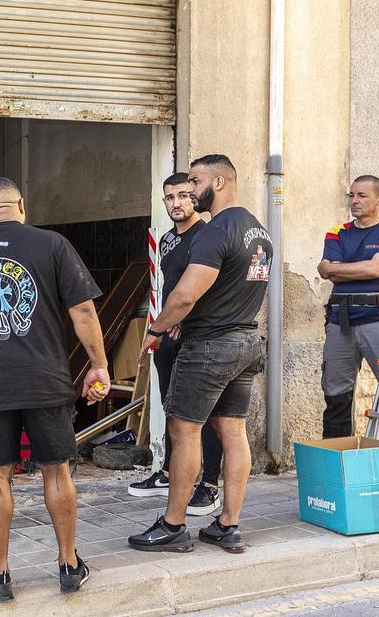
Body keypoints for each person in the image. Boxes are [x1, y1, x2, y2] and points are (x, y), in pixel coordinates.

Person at [0, 178, 109, 600]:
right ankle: (68, 564)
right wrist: (98, 364)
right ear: (22, 207)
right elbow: (83, 309)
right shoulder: (52, 245)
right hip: (46, 380)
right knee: (56, 470)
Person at [129, 154, 272, 555]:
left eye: (194, 181)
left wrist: (154, 331)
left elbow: (187, 294)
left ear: (220, 182)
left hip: (210, 345)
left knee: (184, 430)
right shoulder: (260, 232)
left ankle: (174, 525)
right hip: (246, 340)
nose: (190, 190)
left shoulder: (215, 231)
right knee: (233, 432)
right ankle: (228, 524)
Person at [128, 172, 225, 516]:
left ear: (195, 197)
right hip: (167, 336)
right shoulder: (167, 240)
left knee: (207, 415)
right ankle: (170, 473)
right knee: (173, 410)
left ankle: (210, 484)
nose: (176, 203)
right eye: (170, 198)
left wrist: (184, 319)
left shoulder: (207, 237)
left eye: (184, 195)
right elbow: (169, 289)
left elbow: (208, 288)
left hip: (197, 338)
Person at [317, 175, 379, 444]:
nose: (355, 201)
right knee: (335, 394)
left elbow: (367, 268)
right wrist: (378, 267)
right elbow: (326, 270)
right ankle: (337, 463)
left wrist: (346, 268)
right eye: (351, 195)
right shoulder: (337, 232)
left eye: (362, 195)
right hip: (340, 321)